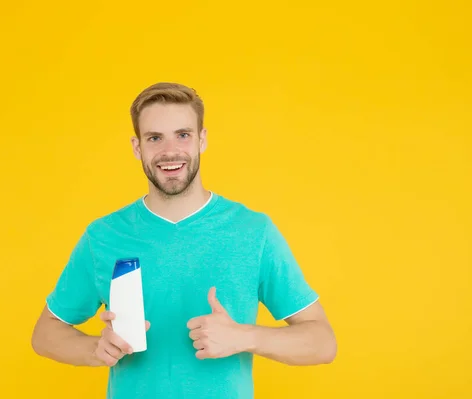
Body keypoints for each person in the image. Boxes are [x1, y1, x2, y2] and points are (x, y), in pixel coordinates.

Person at [31, 82, 337, 399]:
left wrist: (245, 336)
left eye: (183, 135)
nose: (170, 151)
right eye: (154, 138)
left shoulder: (252, 231)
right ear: (137, 147)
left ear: (201, 140)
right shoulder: (104, 235)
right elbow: (45, 333)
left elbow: (322, 342)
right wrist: (95, 348)